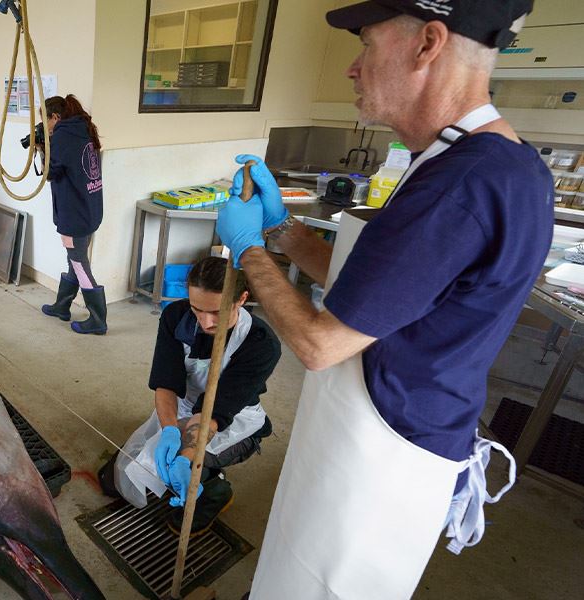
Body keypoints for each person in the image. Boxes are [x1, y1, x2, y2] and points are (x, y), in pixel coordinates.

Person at [214, 2, 550, 598]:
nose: (352, 68)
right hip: (400, 430)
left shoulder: (461, 183)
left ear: (428, 45)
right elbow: (383, 290)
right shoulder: (493, 162)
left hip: (382, 454)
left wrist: (245, 250)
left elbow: (321, 343)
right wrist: (282, 231)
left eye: (367, 44)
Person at [97, 256, 279, 536]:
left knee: (184, 468)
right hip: (182, 408)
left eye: (217, 312)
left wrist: (187, 454)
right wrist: (169, 430)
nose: (206, 322)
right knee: (113, 481)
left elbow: (214, 410)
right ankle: (191, 467)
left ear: (241, 298)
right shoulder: (176, 317)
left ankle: (215, 490)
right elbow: (166, 384)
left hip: (229, 422)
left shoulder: (260, 344)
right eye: (197, 309)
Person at [37, 95, 106, 335]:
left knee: (78, 262)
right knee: (74, 260)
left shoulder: (63, 135)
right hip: (89, 209)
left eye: (44, 120)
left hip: (74, 213)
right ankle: (62, 306)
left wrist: (42, 149)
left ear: (55, 117)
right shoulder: (83, 129)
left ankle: (98, 319)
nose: (44, 126)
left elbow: (50, 172)